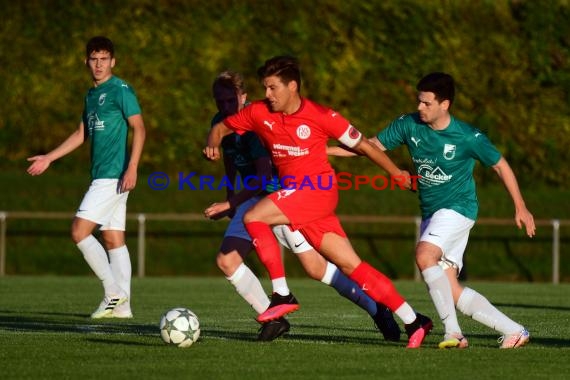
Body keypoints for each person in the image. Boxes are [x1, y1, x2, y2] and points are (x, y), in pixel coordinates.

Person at [204, 56, 432, 348]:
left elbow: (363, 145)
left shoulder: (322, 115)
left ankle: (282, 294)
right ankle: (414, 319)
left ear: (293, 86)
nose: (268, 95)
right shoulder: (259, 113)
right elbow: (222, 128)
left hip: (317, 190)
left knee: (254, 217)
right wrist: (212, 140)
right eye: (265, 88)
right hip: (295, 198)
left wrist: (397, 173)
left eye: (273, 88)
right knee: (351, 266)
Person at [331, 72, 534, 349]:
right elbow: (371, 146)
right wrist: (324, 150)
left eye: (426, 103)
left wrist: (520, 206)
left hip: (458, 209)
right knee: (451, 289)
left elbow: (500, 165)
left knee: (424, 255)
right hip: (432, 212)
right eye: (419, 101)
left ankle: (453, 333)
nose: (419, 108)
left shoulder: (467, 136)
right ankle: (514, 331)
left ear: (445, 104)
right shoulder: (409, 124)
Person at [27, 36, 146, 319]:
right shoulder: (91, 95)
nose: (98, 64)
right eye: (94, 59)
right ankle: (124, 307)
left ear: (113, 62)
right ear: (86, 61)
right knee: (113, 238)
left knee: (79, 231)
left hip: (113, 175)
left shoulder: (121, 90)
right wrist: (49, 157)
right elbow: (82, 134)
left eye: (104, 59)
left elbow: (139, 129)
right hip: (102, 176)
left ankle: (113, 293)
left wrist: (133, 167)